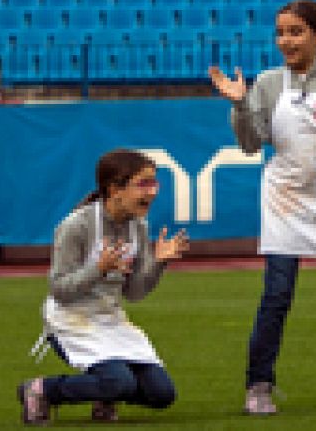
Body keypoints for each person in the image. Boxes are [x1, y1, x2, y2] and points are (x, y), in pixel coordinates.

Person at [208, 0, 316, 415]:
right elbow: (251, 145)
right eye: (281, 32)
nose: (286, 40)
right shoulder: (268, 83)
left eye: (296, 32)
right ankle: (258, 386)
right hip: (285, 197)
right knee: (277, 295)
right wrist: (239, 105)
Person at [17, 149, 190, 425]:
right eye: (143, 183)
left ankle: (104, 393)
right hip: (71, 321)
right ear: (114, 189)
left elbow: (133, 293)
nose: (153, 192)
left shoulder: (138, 227)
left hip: (111, 319)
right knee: (119, 383)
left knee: (162, 394)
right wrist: (98, 270)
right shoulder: (76, 226)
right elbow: (59, 289)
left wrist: (158, 263)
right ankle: (41, 390)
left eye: (154, 183)